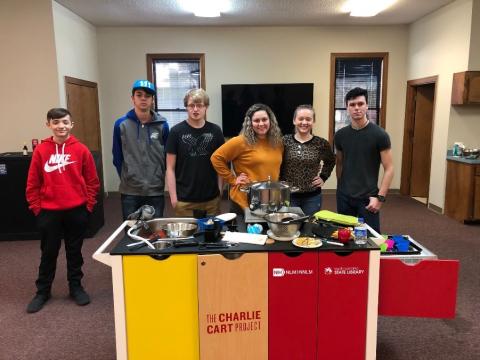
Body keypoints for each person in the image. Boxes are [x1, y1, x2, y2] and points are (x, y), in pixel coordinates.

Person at [25, 108, 100, 313]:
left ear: (71, 124)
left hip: (76, 210)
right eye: (56, 122)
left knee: (74, 252)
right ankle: (42, 291)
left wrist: (88, 206)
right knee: (48, 253)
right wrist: (37, 210)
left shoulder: (81, 150)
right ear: (48, 125)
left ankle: (75, 287)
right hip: (49, 212)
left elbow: (93, 181)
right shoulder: (41, 150)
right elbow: (32, 184)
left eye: (65, 122)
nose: (61, 126)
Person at [211, 103, 283, 224]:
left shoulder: (277, 142)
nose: (261, 124)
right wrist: (232, 179)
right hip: (244, 201)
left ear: (271, 120)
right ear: (250, 123)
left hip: (269, 200)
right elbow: (216, 158)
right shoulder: (240, 141)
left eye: (264, 119)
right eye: (256, 120)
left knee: (267, 236)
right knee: (245, 239)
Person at [334, 87, 394, 233]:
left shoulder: (380, 135)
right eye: (352, 105)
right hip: (344, 197)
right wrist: (341, 188)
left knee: (370, 242)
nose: (356, 108)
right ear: (347, 108)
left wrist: (380, 198)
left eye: (360, 104)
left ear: (367, 106)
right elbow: (340, 163)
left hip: (368, 199)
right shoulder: (340, 135)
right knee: (344, 239)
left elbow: (389, 168)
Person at [112, 79, 169, 220]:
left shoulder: (163, 125)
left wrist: (160, 176)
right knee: (131, 233)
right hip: (130, 190)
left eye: (148, 96)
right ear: (133, 98)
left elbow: (168, 157)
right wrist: (128, 177)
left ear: (152, 100)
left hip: (155, 189)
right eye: (139, 95)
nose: (143, 98)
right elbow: (117, 157)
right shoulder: (121, 124)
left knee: (155, 232)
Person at [165, 88, 225, 216]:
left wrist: (220, 190)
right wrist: (174, 198)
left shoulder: (216, 131)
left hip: (211, 201)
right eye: (191, 105)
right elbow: (170, 168)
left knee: (212, 235)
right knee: (187, 236)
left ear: (206, 107)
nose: (195, 109)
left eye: (199, 105)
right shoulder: (176, 132)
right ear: (186, 107)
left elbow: (221, 164)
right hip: (184, 201)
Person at [280, 105, 335, 215]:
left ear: (313, 121)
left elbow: (330, 161)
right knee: (290, 227)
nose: (304, 122)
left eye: (308, 119)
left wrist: (323, 177)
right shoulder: (284, 141)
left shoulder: (321, 143)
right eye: (300, 119)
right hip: (289, 196)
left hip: (312, 196)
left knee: (309, 227)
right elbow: (275, 162)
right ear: (294, 121)